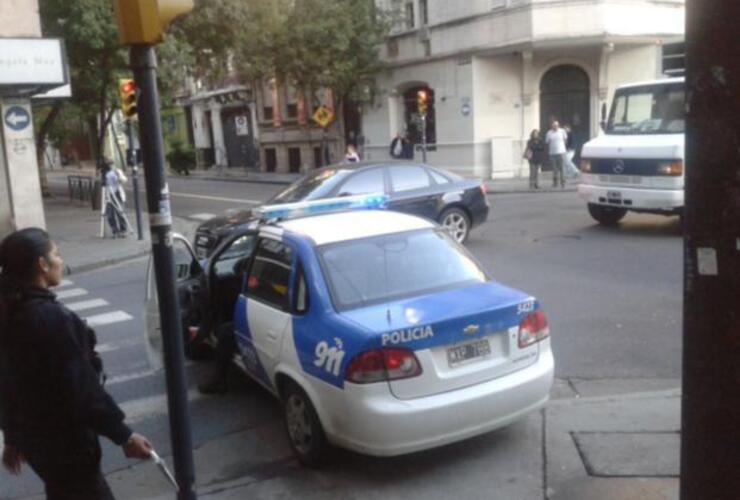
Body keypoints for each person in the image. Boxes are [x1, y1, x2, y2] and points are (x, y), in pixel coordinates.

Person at [0, 228, 152, 499]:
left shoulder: (10, 312)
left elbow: (7, 383)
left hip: (37, 444)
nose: (61, 260)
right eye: (56, 254)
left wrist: (13, 435)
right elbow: (81, 388)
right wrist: (124, 436)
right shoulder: (49, 318)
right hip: (66, 444)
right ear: (41, 265)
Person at [102, 160, 128, 237]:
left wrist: (118, 175)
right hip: (108, 194)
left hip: (117, 194)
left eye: (111, 164)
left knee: (120, 212)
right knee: (110, 214)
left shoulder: (117, 171)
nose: (110, 166)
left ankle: (123, 230)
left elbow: (124, 180)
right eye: (108, 165)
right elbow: (103, 183)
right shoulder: (104, 173)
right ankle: (115, 230)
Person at [545, 120, 568, 188]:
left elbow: (565, 140)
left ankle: (563, 182)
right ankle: (555, 183)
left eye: (557, 125)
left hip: (561, 153)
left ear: (558, 125)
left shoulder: (562, 131)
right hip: (552, 153)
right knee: (554, 169)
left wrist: (562, 147)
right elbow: (547, 142)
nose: (555, 127)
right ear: (552, 126)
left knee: (562, 168)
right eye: (554, 125)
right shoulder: (549, 132)